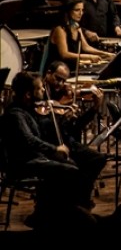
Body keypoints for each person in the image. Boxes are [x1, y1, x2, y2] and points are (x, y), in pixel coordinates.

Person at [1, 72, 105, 221]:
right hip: (22, 163)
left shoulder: (29, 110)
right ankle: (54, 213)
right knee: (70, 169)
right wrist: (54, 149)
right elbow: (30, 140)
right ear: (28, 95)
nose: (44, 90)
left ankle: (60, 211)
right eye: (40, 88)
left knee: (71, 166)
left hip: (35, 157)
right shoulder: (15, 114)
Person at [48, 0, 114, 66]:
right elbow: (64, 54)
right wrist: (89, 57)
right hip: (61, 68)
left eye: (82, 10)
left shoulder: (77, 27)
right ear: (68, 11)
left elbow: (86, 47)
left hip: (73, 65)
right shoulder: (60, 29)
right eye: (77, 10)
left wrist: (106, 54)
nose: (81, 13)